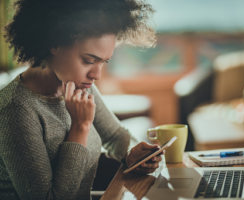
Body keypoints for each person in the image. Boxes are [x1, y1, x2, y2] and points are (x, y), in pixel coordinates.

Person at [0, 0, 163, 199]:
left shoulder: (79, 85)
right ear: (53, 43)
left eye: (104, 62)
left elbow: (114, 136)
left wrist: (132, 155)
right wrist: (80, 127)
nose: (97, 75)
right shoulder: (15, 109)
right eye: (88, 60)